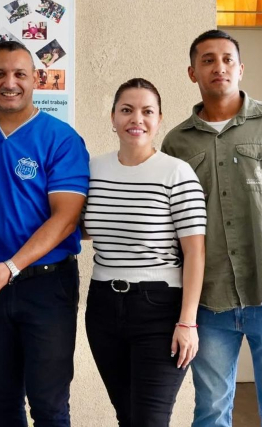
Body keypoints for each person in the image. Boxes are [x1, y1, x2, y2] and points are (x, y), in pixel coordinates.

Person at [161, 29, 262, 427]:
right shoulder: (177, 143)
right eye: (207, 60)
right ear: (192, 73)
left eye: (227, 59)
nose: (218, 67)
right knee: (210, 413)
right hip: (209, 301)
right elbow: (169, 227)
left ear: (240, 69)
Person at [0, 41, 90, 427]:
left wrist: (12, 266)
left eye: (19, 74)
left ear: (37, 79)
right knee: (2, 400)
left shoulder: (61, 138)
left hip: (47, 287)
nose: (9, 83)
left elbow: (66, 219)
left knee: (48, 404)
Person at [82, 78, 206, 426]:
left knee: (150, 420)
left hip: (159, 309)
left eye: (147, 111)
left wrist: (187, 322)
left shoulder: (176, 173)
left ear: (159, 120)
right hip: (103, 306)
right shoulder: (92, 170)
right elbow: (76, 225)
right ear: (113, 117)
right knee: (127, 416)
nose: (136, 119)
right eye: (127, 110)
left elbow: (195, 253)